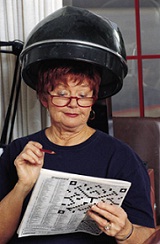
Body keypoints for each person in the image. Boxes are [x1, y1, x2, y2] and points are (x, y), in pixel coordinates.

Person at [0, 6, 155, 244]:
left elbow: (150, 238)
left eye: (83, 95)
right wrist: (23, 186)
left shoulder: (121, 157)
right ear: (44, 98)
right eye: (62, 94)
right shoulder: (18, 152)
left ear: (93, 99)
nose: (73, 104)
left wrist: (126, 231)